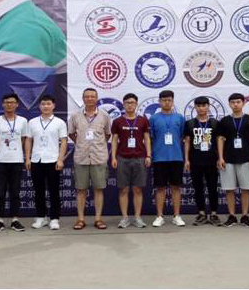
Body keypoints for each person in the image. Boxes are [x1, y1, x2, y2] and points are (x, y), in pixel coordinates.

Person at [67, 88, 111, 230]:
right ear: (83, 98)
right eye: (87, 96)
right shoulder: (75, 116)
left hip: (99, 157)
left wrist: (97, 145)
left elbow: (107, 134)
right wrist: (81, 143)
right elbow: (71, 134)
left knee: (98, 189)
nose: (90, 99)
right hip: (81, 157)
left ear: (96, 98)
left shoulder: (104, 115)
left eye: (92, 96)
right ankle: (80, 219)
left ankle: (98, 219)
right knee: (81, 189)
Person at [26, 94, 68, 230]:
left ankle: (54, 218)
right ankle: (41, 217)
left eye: (48, 104)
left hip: (53, 160)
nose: (46, 106)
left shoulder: (59, 123)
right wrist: (28, 158)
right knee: (38, 191)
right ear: (39, 106)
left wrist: (60, 159)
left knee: (53, 191)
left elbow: (64, 142)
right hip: (36, 160)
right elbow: (28, 140)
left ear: (53, 106)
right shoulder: (32, 122)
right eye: (43, 104)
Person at [216, 93, 249, 228]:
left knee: (246, 189)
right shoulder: (224, 121)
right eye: (233, 102)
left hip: (246, 158)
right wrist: (221, 157)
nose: (235, 104)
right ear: (229, 104)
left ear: (243, 103)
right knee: (229, 189)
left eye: (238, 102)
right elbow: (220, 139)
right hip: (228, 159)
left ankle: (245, 216)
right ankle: (232, 216)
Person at [110, 93, 151, 228]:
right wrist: (113, 157)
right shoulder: (117, 121)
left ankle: (137, 217)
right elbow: (114, 140)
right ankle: (125, 218)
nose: (130, 105)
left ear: (136, 104)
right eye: (127, 102)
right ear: (123, 104)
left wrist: (148, 156)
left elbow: (147, 139)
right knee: (124, 189)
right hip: (122, 158)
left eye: (132, 102)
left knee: (138, 189)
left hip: (139, 158)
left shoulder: (143, 120)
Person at [0, 93, 30, 232]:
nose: (9, 105)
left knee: (15, 192)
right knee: (0, 192)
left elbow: (24, 139)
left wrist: (17, 152)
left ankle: (15, 220)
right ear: (3, 104)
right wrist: (2, 151)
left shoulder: (23, 121)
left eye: (12, 102)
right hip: (0, 161)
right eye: (7, 102)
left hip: (17, 160)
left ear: (17, 104)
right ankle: (0, 220)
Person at [149, 90, 187, 227]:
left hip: (176, 157)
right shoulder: (153, 118)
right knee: (160, 188)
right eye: (164, 100)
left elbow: (182, 136)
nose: (166, 102)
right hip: (159, 158)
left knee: (176, 187)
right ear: (159, 102)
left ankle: (176, 215)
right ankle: (159, 216)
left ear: (173, 101)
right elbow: (151, 138)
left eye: (169, 100)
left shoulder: (179, 118)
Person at [183, 96, 221, 226]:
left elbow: (219, 141)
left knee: (212, 187)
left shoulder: (214, 123)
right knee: (198, 188)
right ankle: (201, 213)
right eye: (198, 106)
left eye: (204, 105)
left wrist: (220, 158)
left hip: (211, 161)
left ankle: (214, 214)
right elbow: (187, 142)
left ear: (208, 106)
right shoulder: (190, 123)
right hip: (195, 160)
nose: (201, 108)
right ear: (195, 107)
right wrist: (186, 159)